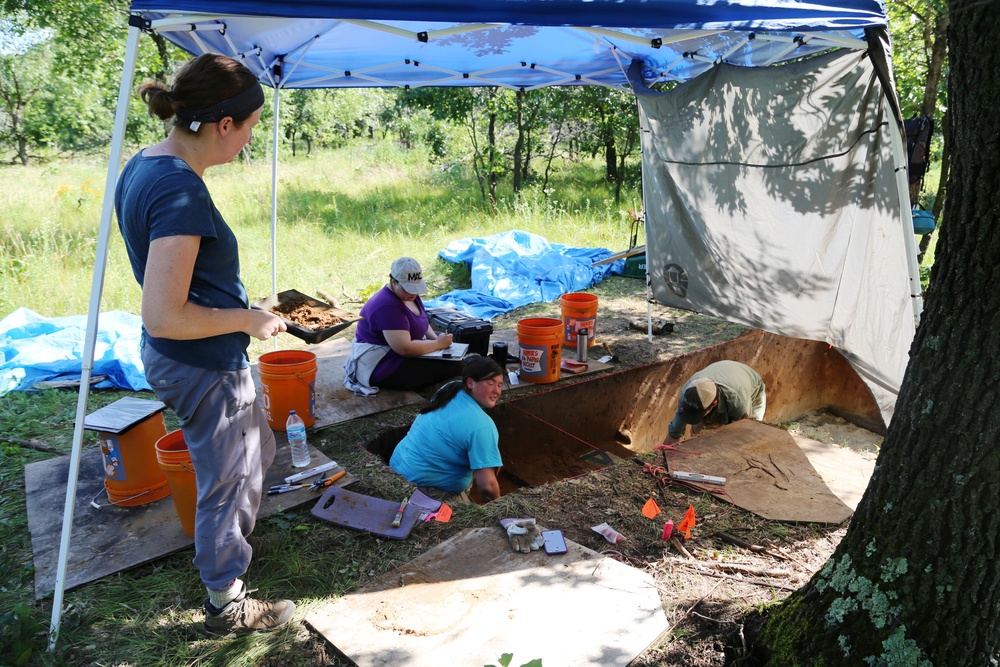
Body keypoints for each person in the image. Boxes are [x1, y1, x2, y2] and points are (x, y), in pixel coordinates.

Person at [114, 53, 295, 637]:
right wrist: (246, 318)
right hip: (199, 360)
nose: (247, 141)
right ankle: (226, 601)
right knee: (229, 476)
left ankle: (231, 554)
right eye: (249, 129)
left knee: (256, 452)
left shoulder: (146, 163)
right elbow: (165, 315)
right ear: (224, 125)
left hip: (195, 355)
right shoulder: (180, 193)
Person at [389, 356, 505, 502]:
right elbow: (488, 486)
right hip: (424, 489)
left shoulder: (451, 389)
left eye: (500, 385)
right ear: (470, 383)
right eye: (490, 383)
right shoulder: (482, 425)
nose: (497, 391)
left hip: (399, 465)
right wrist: (498, 512)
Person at [344, 256, 459, 394]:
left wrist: (435, 339)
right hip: (382, 365)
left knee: (455, 361)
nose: (413, 293)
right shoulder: (387, 305)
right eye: (408, 289)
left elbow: (422, 321)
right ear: (394, 282)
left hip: (397, 357)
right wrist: (438, 344)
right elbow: (404, 349)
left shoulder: (410, 296)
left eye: (416, 289)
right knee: (454, 367)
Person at [662, 360, 766, 446]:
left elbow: (740, 433)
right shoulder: (688, 392)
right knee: (698, 436)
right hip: (723, 378)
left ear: (714, 404)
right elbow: (674, 434)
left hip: (752, 390)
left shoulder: (738, 402)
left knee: (748, 437)